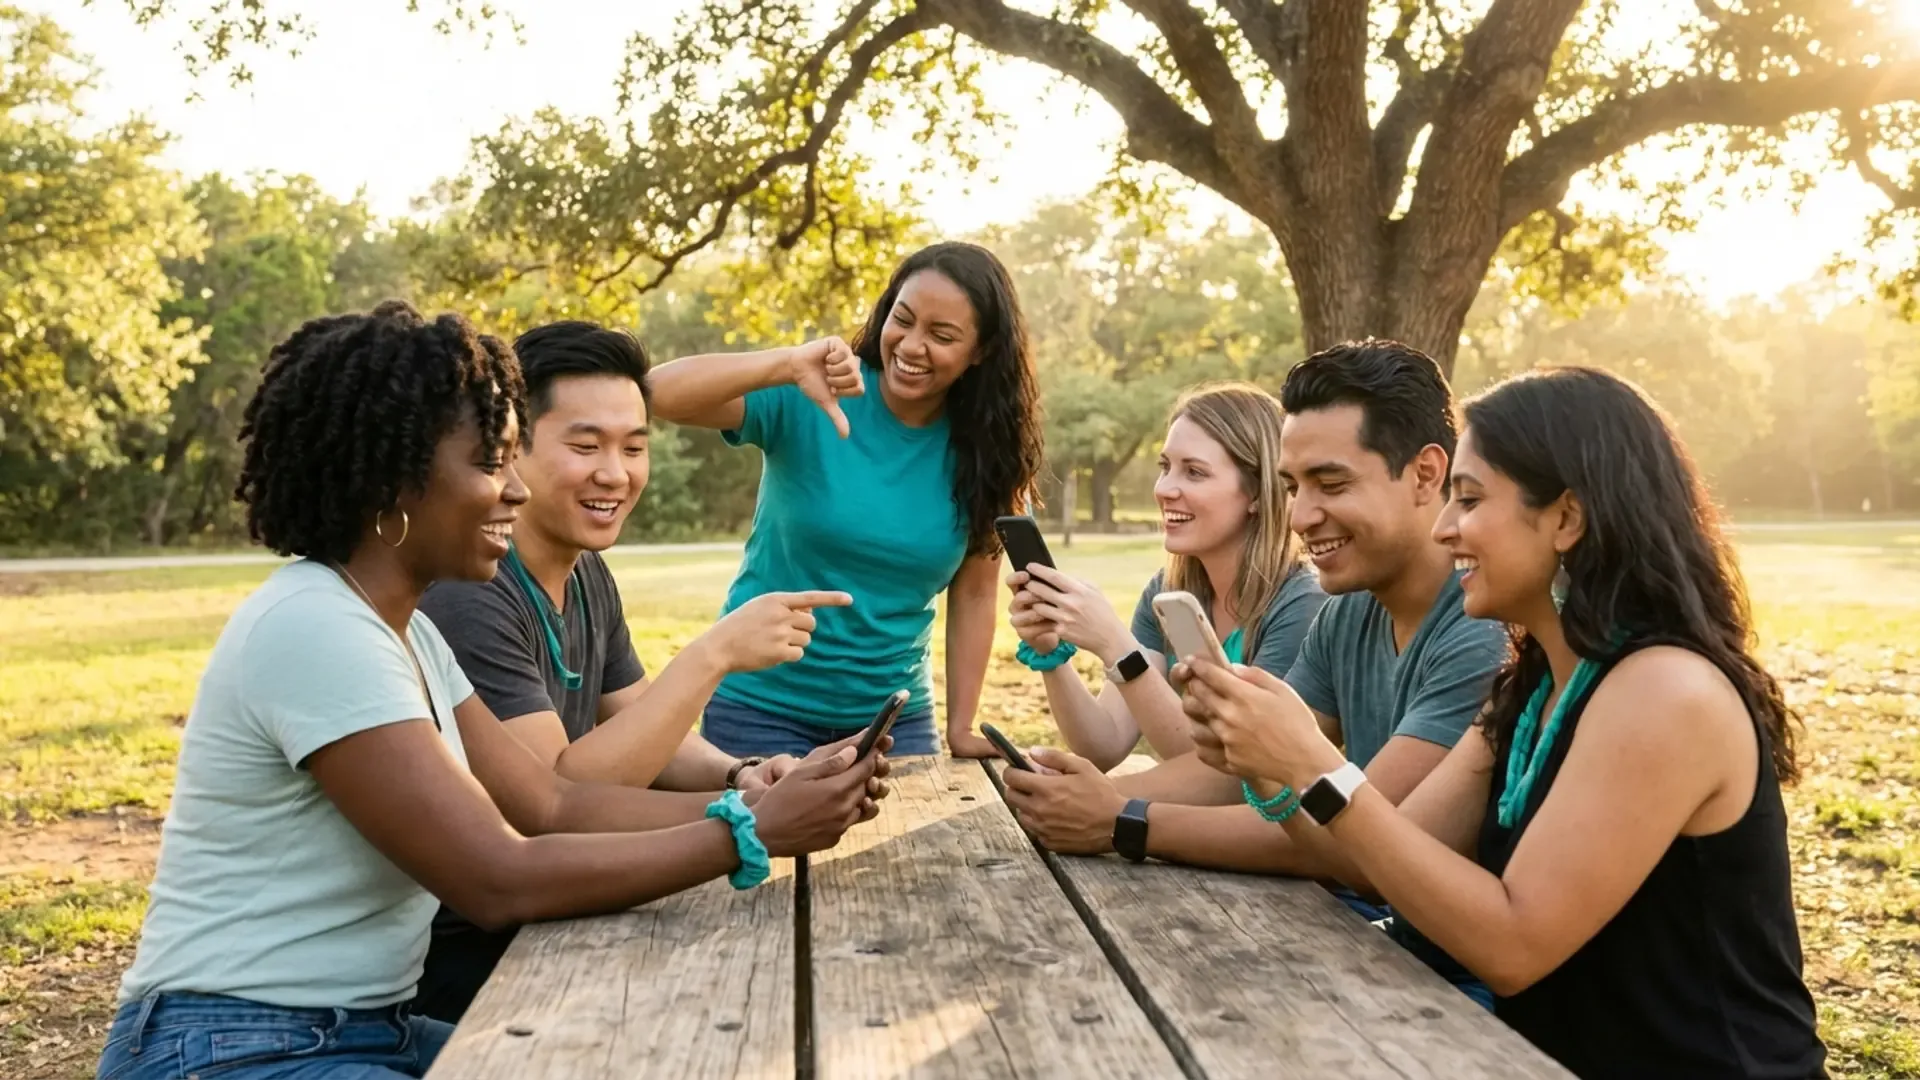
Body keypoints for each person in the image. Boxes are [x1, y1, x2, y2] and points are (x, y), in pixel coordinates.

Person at [95, 302, 888, 1080]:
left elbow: (551, 807)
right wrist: (743, 835)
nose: (514, 490)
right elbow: (496, 878)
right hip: (233, 1045)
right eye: (489, 463)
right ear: (395, 478)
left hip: (373, 1029)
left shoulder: (408, 633)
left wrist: (752, 802)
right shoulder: (317, 626)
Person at [1177, 366, 1827, 1077]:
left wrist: (1313, 765)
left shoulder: (1665, 693)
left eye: (1470, 498)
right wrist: (1270, 770)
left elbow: (1512, 947)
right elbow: (1379, 863)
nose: (1445, 525)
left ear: (1567, 517)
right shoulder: (1535, 684)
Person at [1002, 341, 1507, 1004]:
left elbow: (1364, 846)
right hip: (1382, 942)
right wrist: (1094, 780)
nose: (1299, 516)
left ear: (1424, 475)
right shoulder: (1346, 613)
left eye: (1330, 484)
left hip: (1460, 990)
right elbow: (1252, 774)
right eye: (1295, 488)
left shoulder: (1479, 630)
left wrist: (1123, 818)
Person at [412, 320, 847, 1022]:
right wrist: (714, 657)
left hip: (566, 917)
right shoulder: (470, 594)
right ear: (510, 446)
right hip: (478, 964)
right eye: (585, 446)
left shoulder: (587, 574)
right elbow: (556, 803)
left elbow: (646, 727)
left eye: (634, 447)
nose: (615, 472)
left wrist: (741, 775)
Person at [649, 241, 1045, 760]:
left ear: (982, 351)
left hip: (893, 722)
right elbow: (656, 394)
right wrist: (787, 363)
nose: (910, 345)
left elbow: (973, 596)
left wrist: (962, 726)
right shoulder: (817, 393)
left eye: (942, 335)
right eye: (902, 319)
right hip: (759, 710)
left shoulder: (990, 455)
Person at [1004, 382, 1328, 770]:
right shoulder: (1168, 591)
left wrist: (1117, 646)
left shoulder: (1302, 606)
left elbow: (1226, 769)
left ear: (1257, 492)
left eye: (1194, 472)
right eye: (1165, 467)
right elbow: (1105, 742)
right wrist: (1050, 655)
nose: (1164, 489)